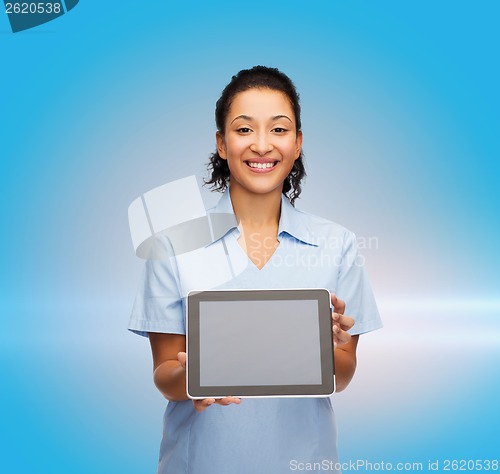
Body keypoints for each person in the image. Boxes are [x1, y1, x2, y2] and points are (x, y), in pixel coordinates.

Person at [128, 66, 382, 474]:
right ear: (222, 144)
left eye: (279, 130)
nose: (262, 146)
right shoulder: (171, 246)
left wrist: (323, 348)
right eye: (244, 130)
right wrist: (195, 375)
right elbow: (164, 375)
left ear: (297, 144)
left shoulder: (338, 244)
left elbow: (344, 373)